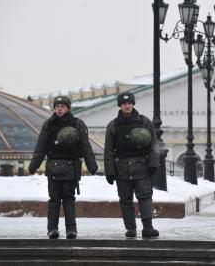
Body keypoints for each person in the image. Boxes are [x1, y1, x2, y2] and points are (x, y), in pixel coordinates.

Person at [28, 96, 98, 239]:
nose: (59, 109)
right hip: (53, 168)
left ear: (68, 108)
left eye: (62, 106)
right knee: (54, 200)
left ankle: (71, 230)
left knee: (68, 199)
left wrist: (92, 166)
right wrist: (34, 165)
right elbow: (40, 147)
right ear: (54, 109)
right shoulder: (48, 124)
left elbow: (86, 146)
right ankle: (52, 229)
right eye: (57, 106)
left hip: (71, 167)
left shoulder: (77, 123)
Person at [104, 92, 160, 238]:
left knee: (145, 196)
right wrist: (109, 171)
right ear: (120, 105)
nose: (127, 106)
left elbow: (154, 144)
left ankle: (148, 227)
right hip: (121, 168)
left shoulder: (144, 122)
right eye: (124, 104)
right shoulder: (113, 126)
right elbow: (108, 150)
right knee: (125, 200)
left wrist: (153, 164)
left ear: (133, 104)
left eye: (129, 103)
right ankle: (131, 228)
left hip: (141, 166)